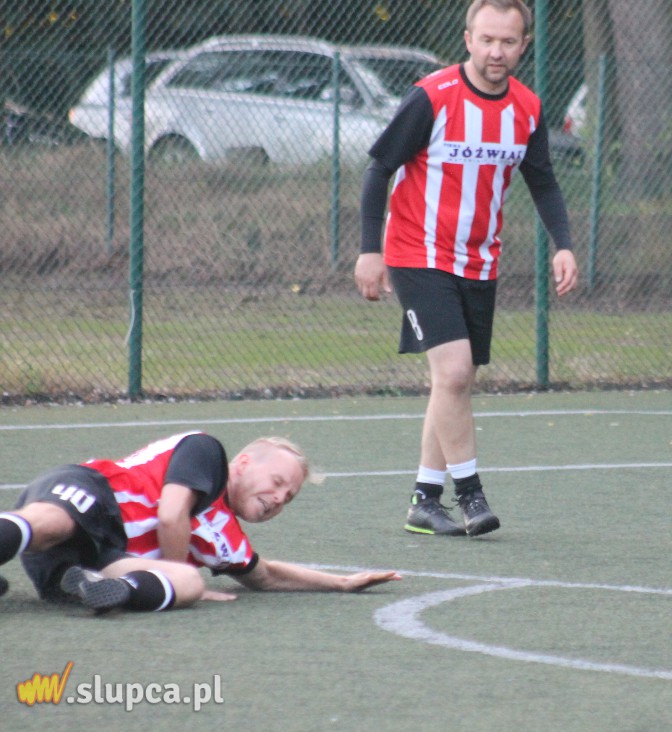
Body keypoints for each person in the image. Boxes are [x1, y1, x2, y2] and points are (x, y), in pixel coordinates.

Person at [355, 0, 579, 537]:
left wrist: (563, 245)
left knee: (453, 385)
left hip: (480, 260)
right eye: (486, 40)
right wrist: (370, 249)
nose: (496, 51)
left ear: (523, 45)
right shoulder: (432, 98)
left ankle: (424, 500)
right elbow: (380, 167)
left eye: (507, 42)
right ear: (468, 39)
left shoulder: (526, 108)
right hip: (417, 254)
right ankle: (471, 495)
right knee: (454, 373)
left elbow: (542, 179)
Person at [0, 432, 400, 613]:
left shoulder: (226, 536)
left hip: (91, 560)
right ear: (242, 464)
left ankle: (103, 588)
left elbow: (266, 577)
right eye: (278, 483)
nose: (279, 498)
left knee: (192, 583)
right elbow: (171, 514)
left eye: (288, 497)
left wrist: (342, 583)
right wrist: (176, 572)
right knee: (53, 522)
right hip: (92, 495)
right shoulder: (205, 453)